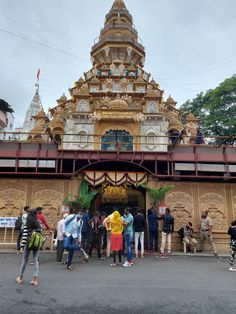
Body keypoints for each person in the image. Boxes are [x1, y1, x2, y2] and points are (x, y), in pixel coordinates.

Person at [16, 209, 42, 286]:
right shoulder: (39, 223)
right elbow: (40, 234)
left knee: (25, 260)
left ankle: (20, 278)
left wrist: (21, 247)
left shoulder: (28, 223)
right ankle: (34, 280)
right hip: (36, 244)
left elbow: (24, 236)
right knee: (35, 261)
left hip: (28, 244)